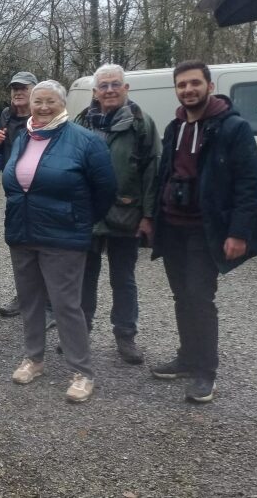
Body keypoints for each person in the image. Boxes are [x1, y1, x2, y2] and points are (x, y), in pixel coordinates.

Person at [150, 60, 257, 404]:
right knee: (182, 295)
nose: (188, 90)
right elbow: (163, 173)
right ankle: (187, 358)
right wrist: (150, 218)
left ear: (209, 87)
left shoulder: (233, 128)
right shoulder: (174, 127)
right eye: (182, 85)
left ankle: (205, 371)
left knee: (200, 297)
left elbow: (251, 183)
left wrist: (239, 231)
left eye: (194, 83)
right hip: (173, 226)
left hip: (205, 228)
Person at [2, 81, 116, 403]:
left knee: (66, 304)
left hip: (63, 237)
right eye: (38, 101)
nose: (43, 107)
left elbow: (106, 189)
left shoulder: (85, 141)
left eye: (50, 101)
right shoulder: (23, 137)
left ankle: (82, 371)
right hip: (23, 234)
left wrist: (79, 219)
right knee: (30, 300)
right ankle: (34, 358)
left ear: (63, 104)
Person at [73, 64, 160, 365]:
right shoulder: (82, 121)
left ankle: (125, 335)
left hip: (126, 213)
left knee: (123, 279)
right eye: (104, 85)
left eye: (115, 84)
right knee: (84, 277)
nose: (109, 90)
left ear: (126, 88)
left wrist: (148, 215)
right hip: (88, 214)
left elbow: (152, 171)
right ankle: (79, 332)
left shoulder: (141, 123)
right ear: (95, 92)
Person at [0, 72, 39, 319]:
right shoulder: (6, 116)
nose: (18, 92)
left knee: (44, 246)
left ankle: (48, 304)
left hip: (40, 192)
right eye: (14, 89)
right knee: (18, 245)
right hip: (15, 195)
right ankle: (23, 296)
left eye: (23, 88)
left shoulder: (42, 115)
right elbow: (0, 153)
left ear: (34, 91)